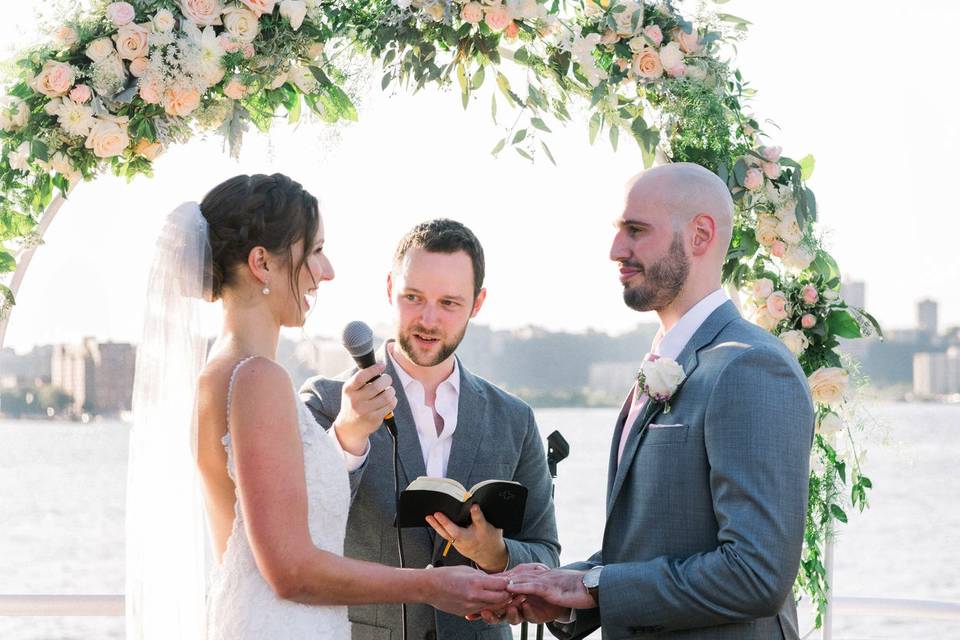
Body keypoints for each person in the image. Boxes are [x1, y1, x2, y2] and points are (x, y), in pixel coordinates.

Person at [126, 175, 511, 640]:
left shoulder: (217, 372)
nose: (326, 270)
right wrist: (431, 584)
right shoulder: (258, 378)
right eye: (314, 251)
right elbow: (291, 571)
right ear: (262, 263)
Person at [494, 163, 815, 639]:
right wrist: (563, 590)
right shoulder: (670, 358)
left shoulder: (749, 367)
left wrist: (596, 585)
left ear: (700, 235)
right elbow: (650, 543)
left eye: (636, 231)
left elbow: (756, 574)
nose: (615, 250)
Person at [301, 218, 561, 639]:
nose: (428, 319)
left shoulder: (515, 418)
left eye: (449, 303)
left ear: (477, 303)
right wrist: (349, 435)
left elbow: (546, 556)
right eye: (413, 297)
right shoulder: (327, 402)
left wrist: (495, 554)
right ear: (389, 289)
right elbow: (300, 535)